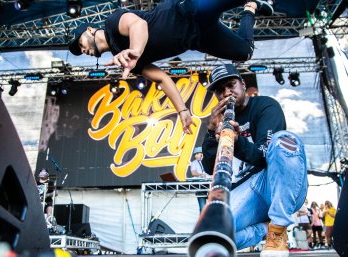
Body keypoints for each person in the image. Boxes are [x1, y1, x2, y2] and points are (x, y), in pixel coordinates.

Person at [68, 0, 274, 134]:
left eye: (80, 43)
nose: (82, 49)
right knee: (244, 52)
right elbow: (162, 79)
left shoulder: (113, 23)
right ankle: (251, 7)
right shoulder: (124, 60)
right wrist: (182, 110)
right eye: (79, 50)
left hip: (189, 11)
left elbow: (138, 25)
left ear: (90, 29)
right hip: (198, 38)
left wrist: (136, 51)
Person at [201, 64, 308, 257]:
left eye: (231, 84)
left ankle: (278, 229)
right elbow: (210, 168)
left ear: (242, 84)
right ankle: (264, 230)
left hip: (279, 184)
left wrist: (237, 141)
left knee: (284, 140)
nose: (227, 92)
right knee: (212, 237)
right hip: (250, 190)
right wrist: (210, 131)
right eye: (220, 90)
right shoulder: (220, 119)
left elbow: (264, 155)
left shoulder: (266, 106)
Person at [190, 146, 210, 212]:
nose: (195, 156)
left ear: (202, 153)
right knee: (202, 208)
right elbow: (193, 173)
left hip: (210, 185)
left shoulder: (209, 161)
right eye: (195, 154)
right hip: (200, 186)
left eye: (197, 154)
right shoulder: (194, 163)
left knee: (213, 206)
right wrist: (201, 174)